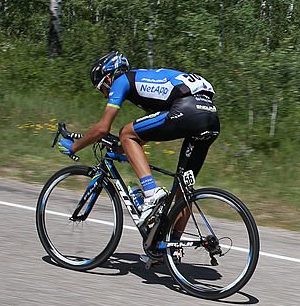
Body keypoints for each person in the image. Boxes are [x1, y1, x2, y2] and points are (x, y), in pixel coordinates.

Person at [58, 51, 220, 263]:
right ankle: (170, 247)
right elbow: (144, 136)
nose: (106, 94)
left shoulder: (122, 80)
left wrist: (75, 146)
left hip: (187, 109)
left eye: (102, 89)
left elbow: (102, 127)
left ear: (109, 77)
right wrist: (118, 147)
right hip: (210, 116)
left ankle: (151, 193)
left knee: (126, 132)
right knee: (183, 190)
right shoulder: (148, 81)